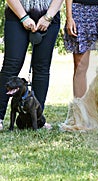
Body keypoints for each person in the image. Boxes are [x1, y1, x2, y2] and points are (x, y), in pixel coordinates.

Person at [0, 0, 64, 130]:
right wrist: (23, 17)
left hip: (49, 15)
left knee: (41, 68)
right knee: (11, 65)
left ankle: (38, 120)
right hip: (17, 12)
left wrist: (48, 17)